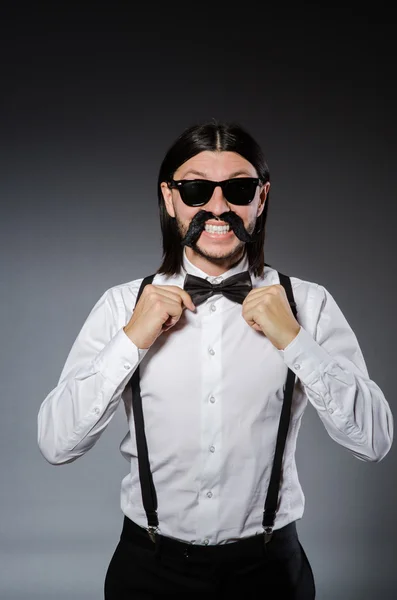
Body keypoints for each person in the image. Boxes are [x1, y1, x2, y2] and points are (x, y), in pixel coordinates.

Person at [37, 120, 393, 599]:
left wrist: (295, 341)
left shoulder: (309, 304)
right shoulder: (122, 306)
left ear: (260, 199)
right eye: (197, 189)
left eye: (239, 189)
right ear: (170, 199)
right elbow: (57, 444)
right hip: (148, 572)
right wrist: (131, 340)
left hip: (270, 575)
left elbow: (374, 442)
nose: (218, 206)